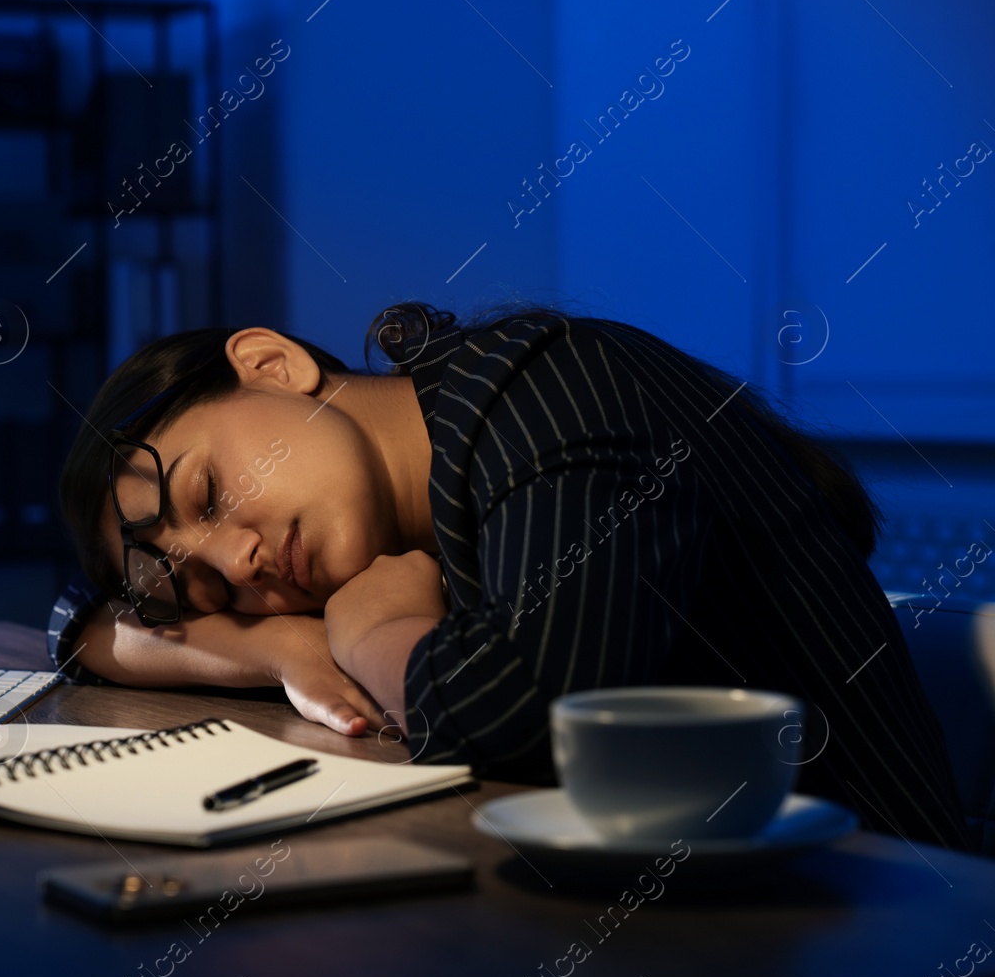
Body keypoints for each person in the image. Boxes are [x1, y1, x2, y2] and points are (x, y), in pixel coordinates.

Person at [47, 303, 970, 851]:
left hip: (883, 950)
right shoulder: (425, 493)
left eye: (208, 492)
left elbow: (528, 720)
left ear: (272, 366)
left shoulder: (547, 392)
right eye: (206, 589)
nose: (238, 562)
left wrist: (367, 635)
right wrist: (280, 646)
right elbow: (85, 628)